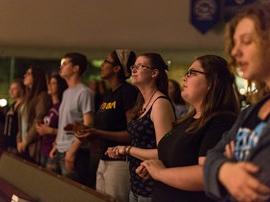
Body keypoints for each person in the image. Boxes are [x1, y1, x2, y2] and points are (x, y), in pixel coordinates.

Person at [138, 55, 240, 202]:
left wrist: (160, 173)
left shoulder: (221, 121)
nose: (185, 77)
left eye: (192, 73)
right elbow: (177, 160)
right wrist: (153, 167)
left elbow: (205, 175)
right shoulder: (187, 120)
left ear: (212, 81)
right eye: (186, 73)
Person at [204, 3, 270, 202]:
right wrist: (224, 169)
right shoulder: (251, 111)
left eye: (247, 41)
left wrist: (233, 162)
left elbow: (259, 185)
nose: (234, 52)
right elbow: (211, 157)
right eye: (234, 43)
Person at [106, 53, 175, 202]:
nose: (134, 70)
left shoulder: (160, 104)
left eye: (140, 66)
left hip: (151, 187)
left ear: (154, 73)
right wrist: (120, 150)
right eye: (133, 67)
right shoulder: (142, 102)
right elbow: (141, 143)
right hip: (136, 184)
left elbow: (164, 152)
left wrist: (127, 150)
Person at [76, 49, 138, 202]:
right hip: (103, 159)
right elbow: (103, 128)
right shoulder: (108, 94)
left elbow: (131, 134)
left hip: (120, 162)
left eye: (106, 61)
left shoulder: (128, 92)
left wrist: (96, 133)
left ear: (117, 68)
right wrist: (87, 133)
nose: (102, 65)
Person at [49, 52, 95, 186]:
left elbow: (88, 124)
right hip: (60, 150)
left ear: (76, 68)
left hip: (74, 152)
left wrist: (72, 151)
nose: (61, 67)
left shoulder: (84, 92)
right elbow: (65, 121)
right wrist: (57, 144)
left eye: (65, 64)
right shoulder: (66, 92)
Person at [17, 66, 51, 163]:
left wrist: (25, 141)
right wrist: (19, 140)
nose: (25, 75)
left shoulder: (42, 96)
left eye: (28, 74)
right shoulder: (27, 98)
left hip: (34, 145)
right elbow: (21, 122)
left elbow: (38, 120)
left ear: (36, 77)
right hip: (23, 143)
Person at [36, 73, 68, 167]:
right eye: (49, 83)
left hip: (54, 150)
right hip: (44, 149)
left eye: (53, 83)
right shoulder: (50, 106)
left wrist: (50, 130)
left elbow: (66, 130)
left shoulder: (62, 106)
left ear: (60, 86)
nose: (49, 85)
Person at [3, 79, 25, 153]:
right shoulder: (11, 106)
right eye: (10, 89)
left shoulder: (24, 105)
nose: (11, 91)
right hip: (7, 143)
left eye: (14, 89)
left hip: (17, 144)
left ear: (21, 90)